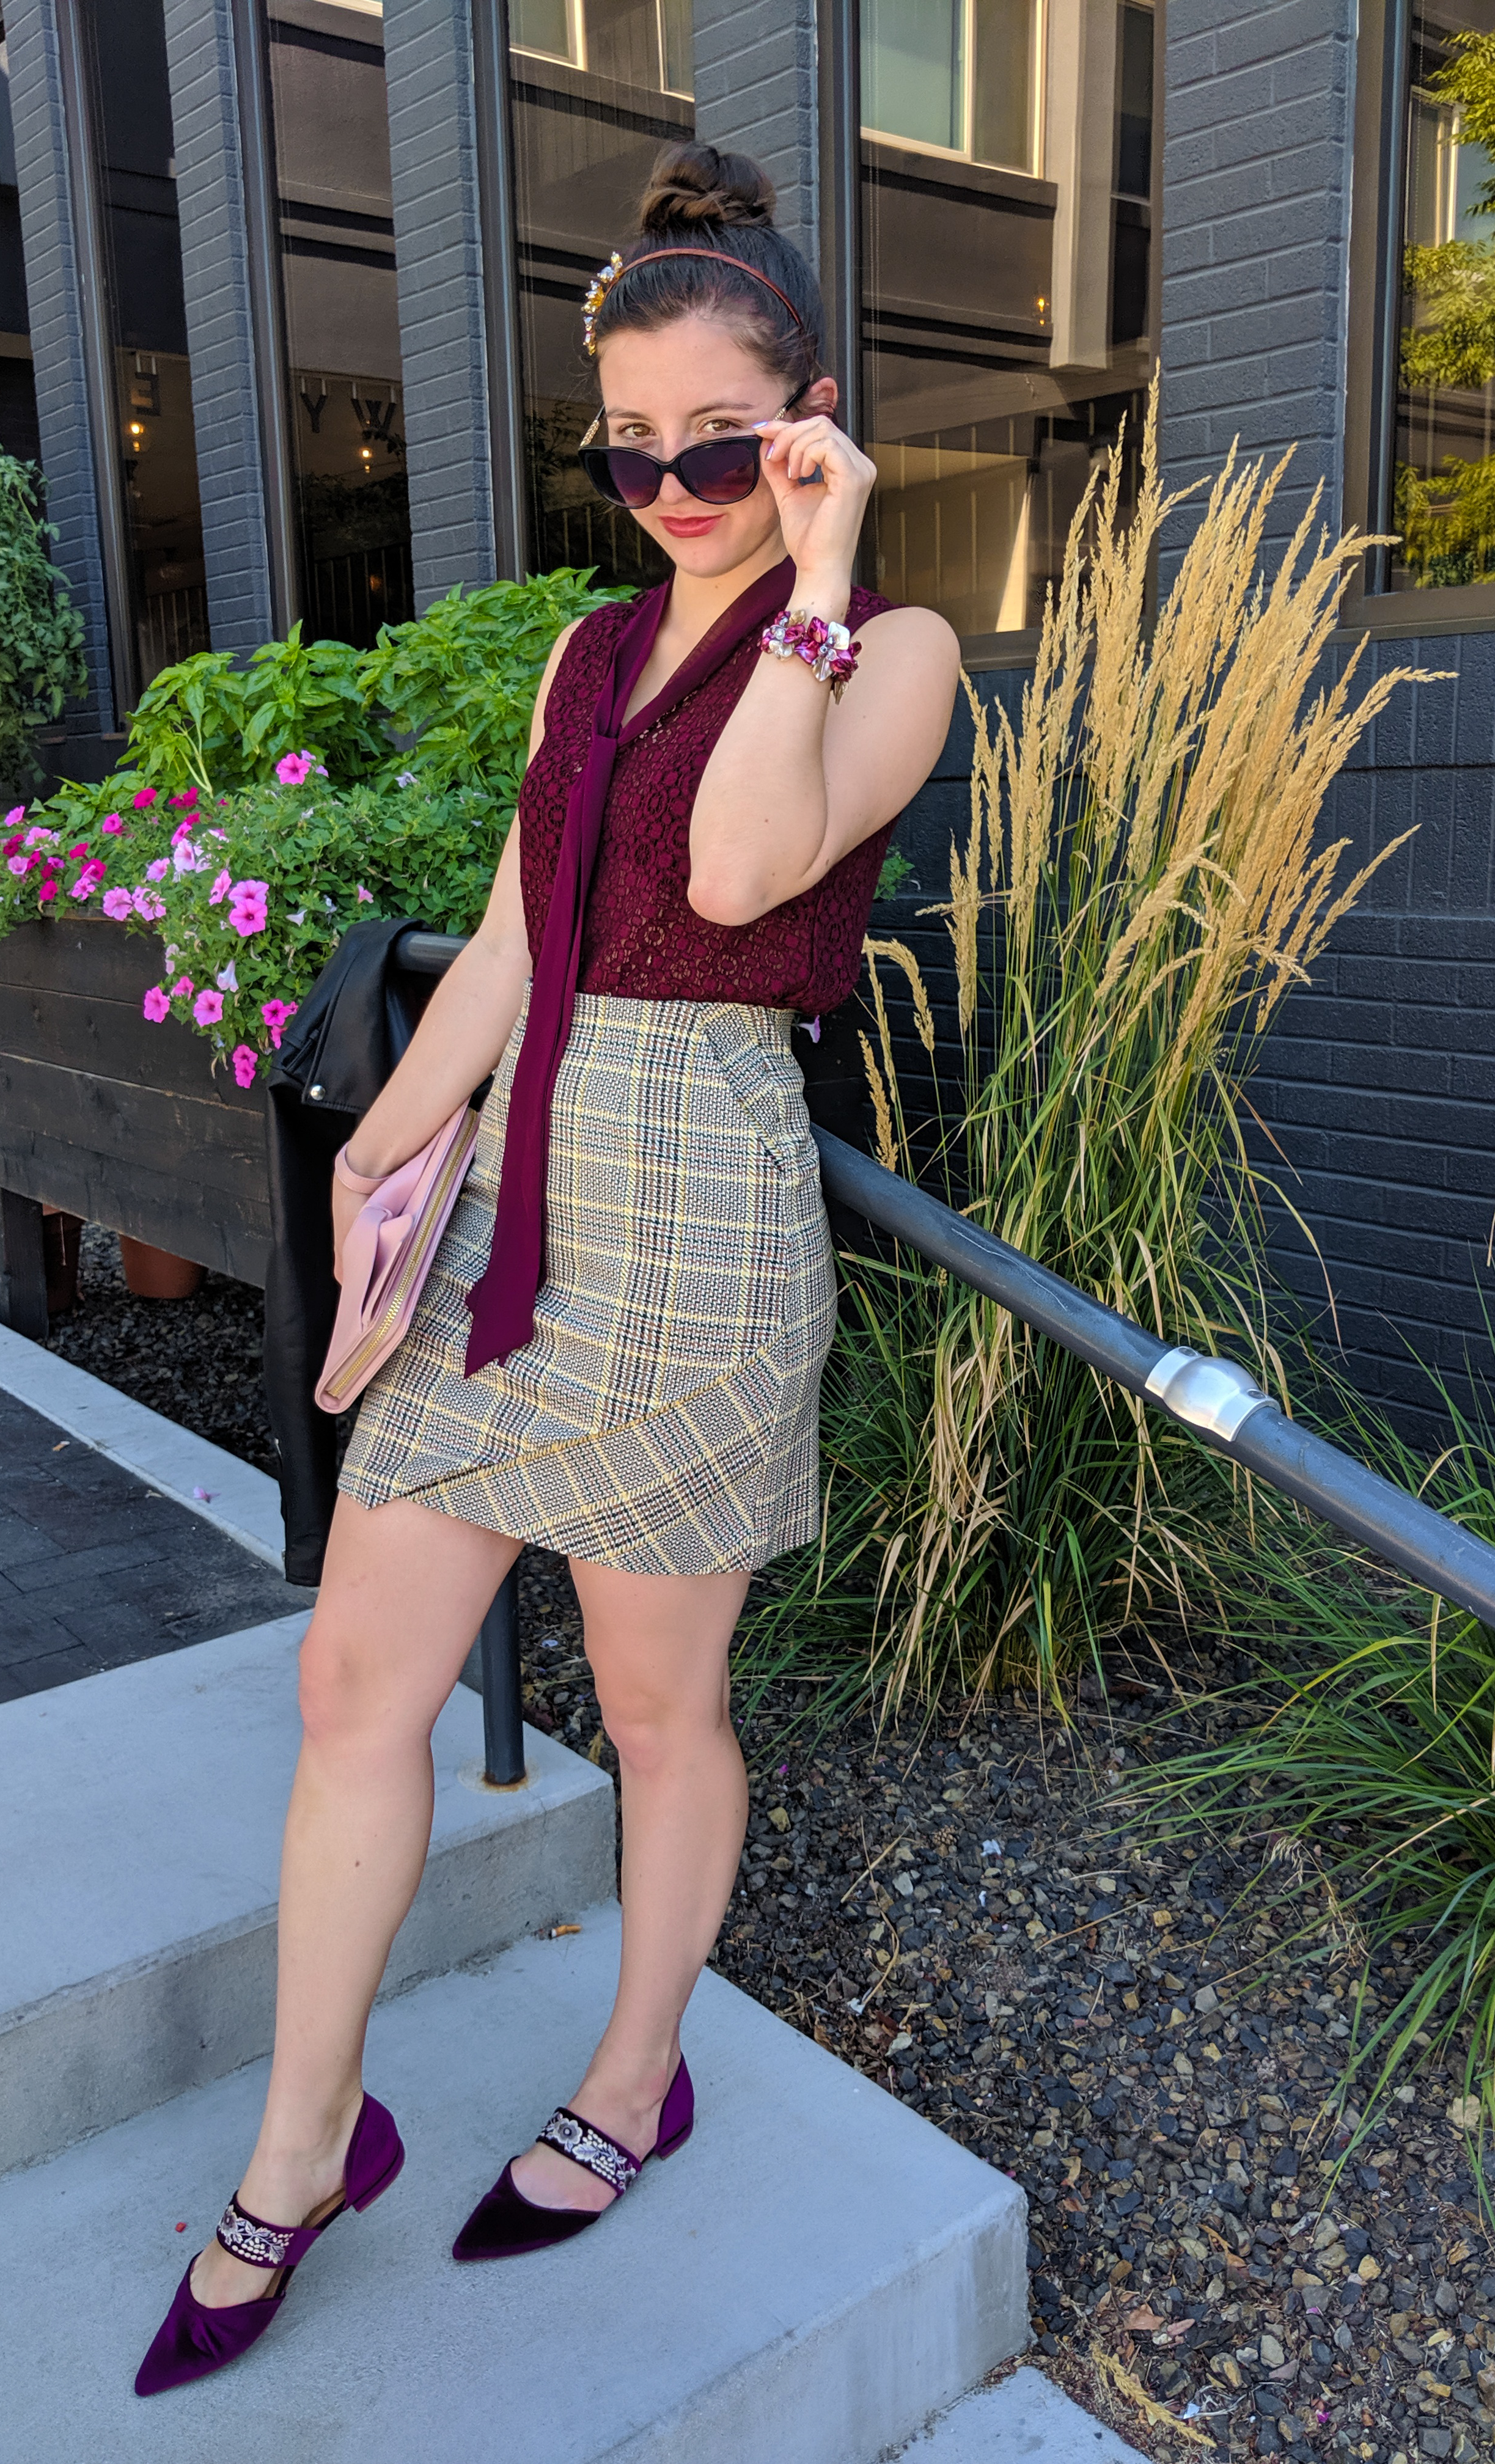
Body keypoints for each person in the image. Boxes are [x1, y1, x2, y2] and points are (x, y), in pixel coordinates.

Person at [135, 136, 959, 2396]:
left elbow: (746, 852)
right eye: (634, 448)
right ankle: (306, 2149)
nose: (672, 483)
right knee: (351, 1694)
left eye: (722, 442)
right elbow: (511, 936)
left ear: (801, 415)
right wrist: (373, 1166)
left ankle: (635, 2073)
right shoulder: (586, 650)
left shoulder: (892, 647)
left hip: (701, 1204)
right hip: (517, 1193)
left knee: (661, 1710)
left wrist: (813, 562)